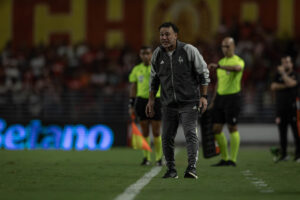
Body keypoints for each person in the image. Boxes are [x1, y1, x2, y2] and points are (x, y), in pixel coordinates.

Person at [146, 22, 210, 179]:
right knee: (166, 136)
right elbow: (154, 79)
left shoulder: (189, 50)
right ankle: (171, 169)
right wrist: (151, 100)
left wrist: (203, 96)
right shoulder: (157, 54)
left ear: (176, 35)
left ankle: (192, 168)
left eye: (167, 34)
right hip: (168, 104)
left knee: (190, 133)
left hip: (189, 102)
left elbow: (203, 73)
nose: (164, 37)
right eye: (162, 34)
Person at [208, 37, 245, 167]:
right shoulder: (221, 61)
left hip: (233, 98)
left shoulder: (238, 60)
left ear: (233, 47)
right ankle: (224, 158)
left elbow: (237, 68)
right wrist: (213, 100)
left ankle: (232, 160)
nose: (225, 49)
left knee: (232, 127)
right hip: (220, 98)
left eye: (227, 46)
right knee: (216, 129)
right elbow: (219, 82)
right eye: (223, 46)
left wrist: (219, 66)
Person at [129, 46, 163, 166]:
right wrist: (131, 104)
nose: (145, 56)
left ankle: (159, 158)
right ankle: (146, 158)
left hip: (156, 100)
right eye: (143, 54)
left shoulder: (158, 67)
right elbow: (133, 87)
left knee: (156, 131)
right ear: (140, 55)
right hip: (141, 101)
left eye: (148, 53)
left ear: (152, 54)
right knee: (144, 131)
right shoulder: (136, 69)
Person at [270, 55, 300, 163]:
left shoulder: (295, 75)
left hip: (293, 108)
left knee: (297, 133)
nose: (285, 64)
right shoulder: (276, 75)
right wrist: (286, 84)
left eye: (287, 62)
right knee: (282, 133)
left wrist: (283, 76)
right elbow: (273, 87)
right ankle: (284, 155)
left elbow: (293, 83)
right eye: (283, 62)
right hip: (280, 108)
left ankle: (298, 155)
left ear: (291, 64)